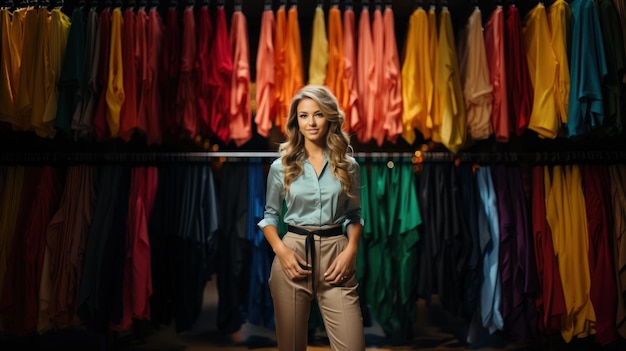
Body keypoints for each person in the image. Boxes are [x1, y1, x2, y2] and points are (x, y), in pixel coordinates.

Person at [257, 85, 366, 351]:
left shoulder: (348, 165)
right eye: (304, 116)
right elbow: (269, 217)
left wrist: (351, 250)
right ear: (296, 121)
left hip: (336, 257)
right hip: (292, 256)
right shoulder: (280, 166)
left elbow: (354, 215)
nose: (311, 122)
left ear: (329, 117)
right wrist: (281, 251)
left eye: (318, 114)